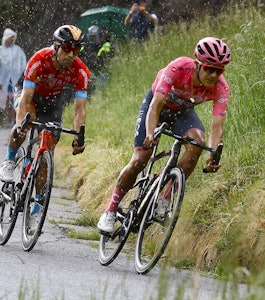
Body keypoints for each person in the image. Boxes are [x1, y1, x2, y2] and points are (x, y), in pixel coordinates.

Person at [97, 37, 232, 233]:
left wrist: (213, 154)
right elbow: (155, 106)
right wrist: (150, 133)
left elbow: (217, 124)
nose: (213, 75)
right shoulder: (178, 68)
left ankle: (164, 199)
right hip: (157, 106)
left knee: (197, 144)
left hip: (182, 112)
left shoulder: (221, 87)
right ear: (197, 64)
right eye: (208, 68)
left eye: (219, 70)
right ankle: (109, 211)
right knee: (141, 157)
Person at [0, 25, 89, 213]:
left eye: (76, 49)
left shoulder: (80, 71)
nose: (72, 55)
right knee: (27, 120)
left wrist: (78, 136)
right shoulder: (39, 59)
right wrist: (20, 124)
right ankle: (9, 160)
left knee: (49, 145)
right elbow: (26, 99)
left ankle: (39, 199)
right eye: (67, 48)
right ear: (56, 46)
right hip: (29, 94)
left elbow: (79, 109)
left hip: (52, 101)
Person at [0, 28, 27, 127]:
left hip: (16, 80)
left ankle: (15, 119)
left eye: (13, 38)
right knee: (6, 101)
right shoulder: (0, 50)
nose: (11, 40)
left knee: (15, 100)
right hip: (4, 80)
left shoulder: (18, 50)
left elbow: (23, 64)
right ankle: (7, 119)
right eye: (10, 38)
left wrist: (23, 78)